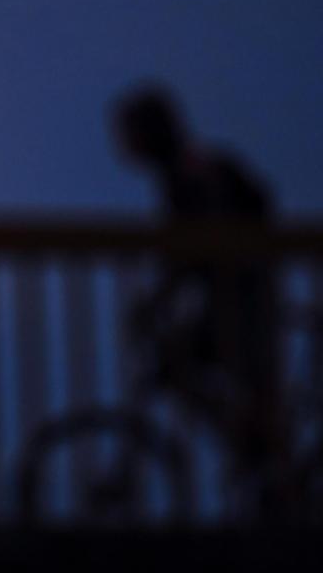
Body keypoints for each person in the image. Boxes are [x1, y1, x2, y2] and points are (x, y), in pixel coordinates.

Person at [109, 83, 288, 518]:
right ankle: (256, 451)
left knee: (177, 365)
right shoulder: (188, 169)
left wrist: (156, 302)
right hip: (240, 302)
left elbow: (199, 249)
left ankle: (258, 454)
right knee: (201, 374)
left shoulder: (188, 173)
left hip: (242, 306)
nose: (122, 145)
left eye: (128, 133)